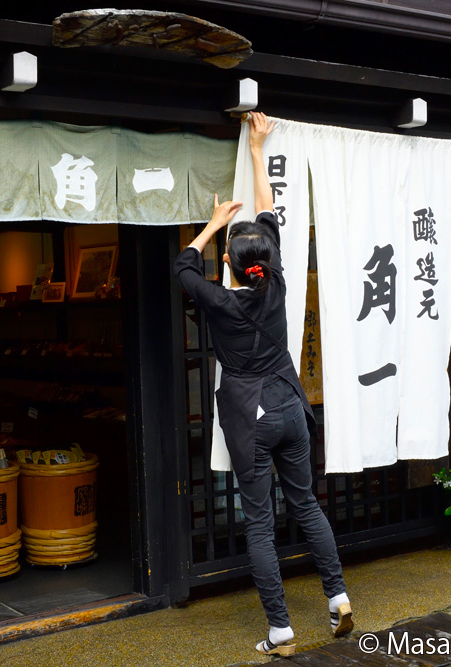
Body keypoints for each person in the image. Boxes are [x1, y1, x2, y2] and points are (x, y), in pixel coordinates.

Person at [173, 112, 352, 656]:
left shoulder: (220, 299)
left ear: (227, 261)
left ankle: (280, 631)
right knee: (307, 506)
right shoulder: (275, 283)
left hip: (250, 419)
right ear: (266, 260)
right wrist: (258, 148)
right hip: (290, 408)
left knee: (258, 523)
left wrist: (210, 225)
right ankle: (338, 596)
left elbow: (181, 268)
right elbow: (269, 210)